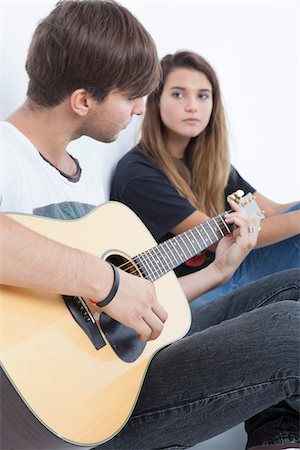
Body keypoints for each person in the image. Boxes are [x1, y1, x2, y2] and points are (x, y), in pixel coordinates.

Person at [0, 4, 299, 450]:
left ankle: (279, 439)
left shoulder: (84, 182)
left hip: (127, 368)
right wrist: (106, 280)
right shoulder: (7, 154)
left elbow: (133, 307)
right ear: (83, 100)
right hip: (76, 410)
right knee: (292, 330)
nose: (142, 109)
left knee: (290, 288)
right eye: (131, 97)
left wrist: (217, 272)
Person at [110, 50, 300, 307]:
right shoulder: (139, 173)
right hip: (195, 292)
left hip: (236, 270)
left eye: (202, 96)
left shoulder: (212, 165)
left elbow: (270, 211)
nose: (192, 106)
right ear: (156, 100)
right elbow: (220, 239)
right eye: (178, 94)